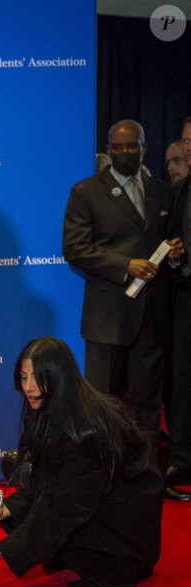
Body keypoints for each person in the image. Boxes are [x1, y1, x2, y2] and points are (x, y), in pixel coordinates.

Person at [0, 337, 164, 587]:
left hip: (126, 529)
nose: (29, 387)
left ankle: (102, 561)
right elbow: (47, 477)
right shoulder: (48, 404)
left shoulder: (85, 427)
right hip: (94, 498)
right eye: (24, 377)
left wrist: (3, 551)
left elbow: (67, 508)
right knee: (18, 512)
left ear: (59, 376)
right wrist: (8, 508)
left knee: (47, 519)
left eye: (38, 377)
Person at [62, 120, 183, 481]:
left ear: (144, 147)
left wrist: (176, 252)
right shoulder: (86, 191)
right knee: (102, 404)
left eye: (133, 146)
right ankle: (100, 479)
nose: (126, 153)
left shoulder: (164, 192)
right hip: (107, 318)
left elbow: (170, 241)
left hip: (152, 316)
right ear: (109, 149)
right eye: (119, 147)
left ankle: (144, 479)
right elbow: (74, 248)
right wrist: (124, 265)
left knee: (147, 406)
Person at [164, 117, 191, 497]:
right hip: (185, 295)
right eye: (187, 140)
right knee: (183, 381)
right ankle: (183, 460)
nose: (188, 147)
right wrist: (172, 257)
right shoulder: (180, 190)